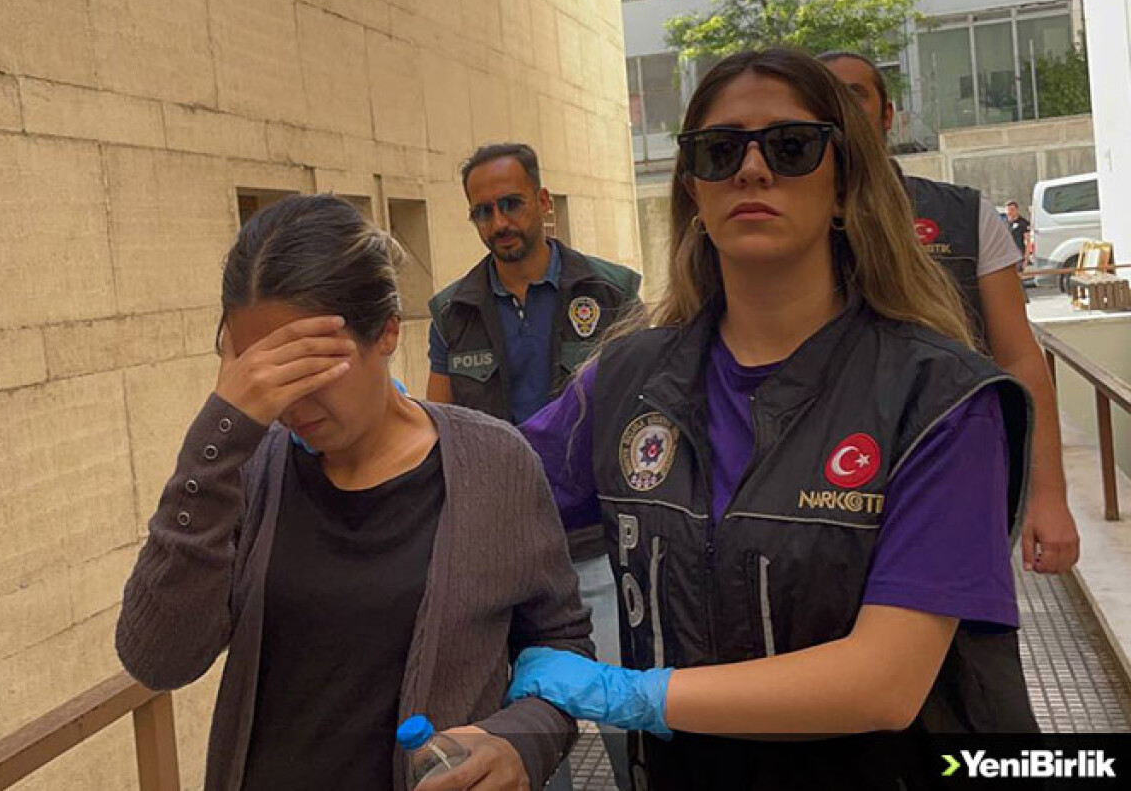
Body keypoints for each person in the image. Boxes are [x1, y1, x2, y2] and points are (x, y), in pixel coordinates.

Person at [512, 48, 1038, 790]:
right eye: (720, 150)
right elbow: (480, 491)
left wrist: (631, 694)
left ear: (844, 183)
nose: (752, 170)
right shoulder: (626, 381)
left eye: (792, 147)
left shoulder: (941, 399)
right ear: (693, 189)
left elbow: (884, 681)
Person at [115, 194, 592, 791]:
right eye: (263, 376)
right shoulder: (244, 469)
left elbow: (560, 641)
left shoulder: (494, 464)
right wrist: (216, 439)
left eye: (311, 369)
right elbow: (157, 659)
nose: (289, 404)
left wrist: (524, 740)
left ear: (386, 331)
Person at [426, 143, 642, 790]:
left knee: (621, 720)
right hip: (500, 557)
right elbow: (440, 433)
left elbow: (650, 409)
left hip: (596, 549)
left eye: (511, 203)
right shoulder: (453, 312)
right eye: (483, 211)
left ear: (543, 202)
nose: (499, 222)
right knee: (520, 730)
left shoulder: (612, 291)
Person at [821, 51, 1079, 575]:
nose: (841, 112)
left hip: (952, 468)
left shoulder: (963, 216)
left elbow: (1018, 355)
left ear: (888, 116)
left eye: (854, 96)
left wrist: (1047, 495)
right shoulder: (783, 225)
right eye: (823, 101)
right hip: (828, 484)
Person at [1006, 200, 1032, 264]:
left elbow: (1028, 242)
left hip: (1019, 256)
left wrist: (1026, 258)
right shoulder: (1004, 222)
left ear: (1017, 210)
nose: (1009, 212)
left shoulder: (1023, 223)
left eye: (1012, 210)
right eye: (1008, 210)